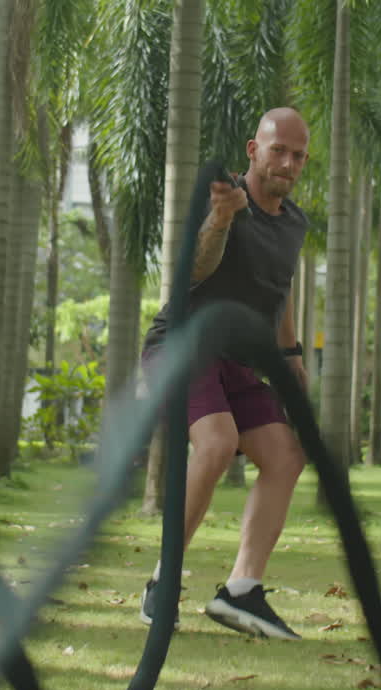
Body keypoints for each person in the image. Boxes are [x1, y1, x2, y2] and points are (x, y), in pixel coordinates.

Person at [138, 107, 311, 640]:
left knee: (287, 454)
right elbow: (195, 271)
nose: (287, 161)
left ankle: (241, 592)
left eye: (298, 154)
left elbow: (278, 300)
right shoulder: (221, 200)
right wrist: (221, 219)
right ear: (252, 150)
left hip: (237, 361)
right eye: (277, 149)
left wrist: (294, 366)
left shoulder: (295, 223)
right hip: (184, 343)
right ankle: (162, 583)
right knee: (216, 444)